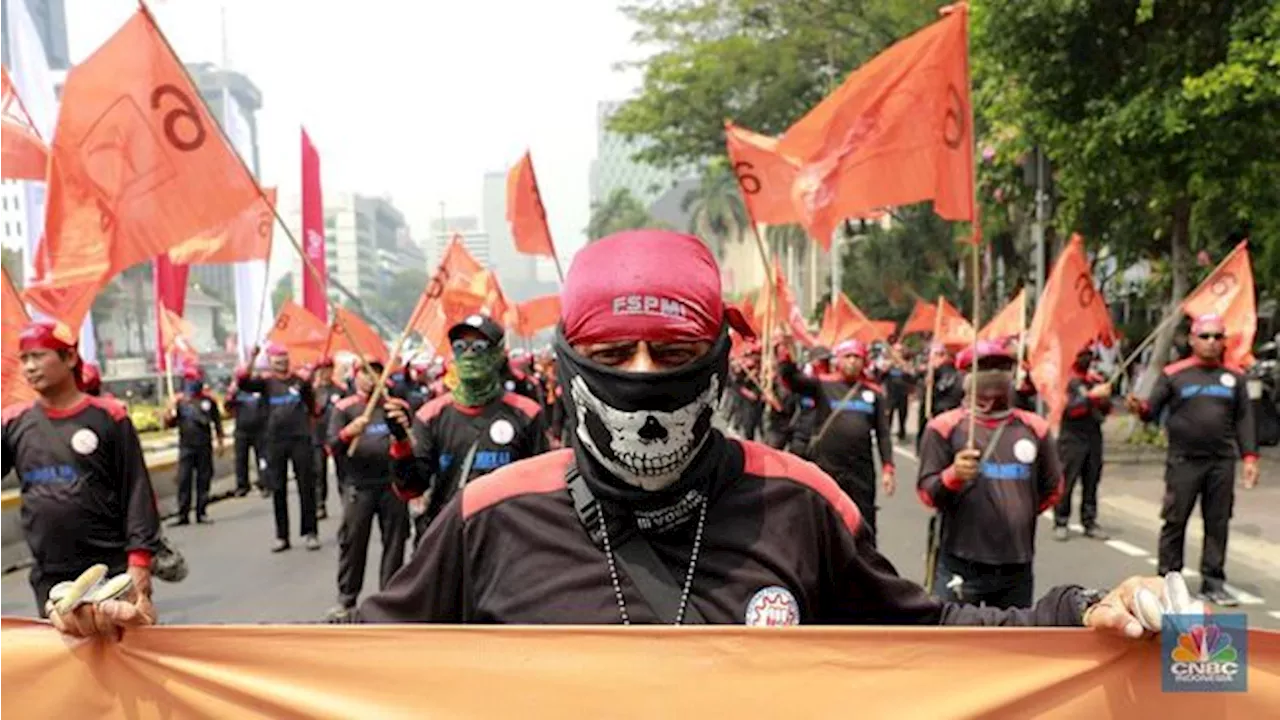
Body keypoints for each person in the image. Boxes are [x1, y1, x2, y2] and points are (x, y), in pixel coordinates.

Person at [352, 229, 1178, 634]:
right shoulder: (492, 514)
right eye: (612, 352)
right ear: (569, 365)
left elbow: (928, 640)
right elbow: (349, 669)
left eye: (673, 352)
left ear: (715, 363)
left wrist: (1092, 611)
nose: (643, 376)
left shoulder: (798, 501)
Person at [0, 321, 160, 620]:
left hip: (110, 569)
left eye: (38, 356)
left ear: (70, 358)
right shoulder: (13, 423)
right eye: (24, 359)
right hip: (51, 573)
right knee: (69, 661)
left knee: (119, 657)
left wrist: (139, 561)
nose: (30, 367)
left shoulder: (109, 416)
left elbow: (137, 490)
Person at [1125, 314, 1259, 606]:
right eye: (1205, 336)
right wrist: (1139, 407)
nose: (1212, 342)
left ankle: (1213, 581)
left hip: (1221, 461)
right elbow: (1151, 411)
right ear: (1192, 340)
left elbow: (1245, 420)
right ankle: (1167, 581)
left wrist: (1250, 457)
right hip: (1184, 461)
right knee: (1175, 520)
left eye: (1217, 336)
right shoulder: (1174, 374)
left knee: (1218, 521)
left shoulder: (1234, 378)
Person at [917, 341, 1063, 609]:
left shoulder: (1035, 428)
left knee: (1010, 647)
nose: (994, 374)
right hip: (960, 561)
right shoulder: (944, 427)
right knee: (955, 645)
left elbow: (1052, 490)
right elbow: (927, 493)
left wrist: (1016, 511)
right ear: (966, 376)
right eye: (983, 367)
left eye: (1002, 367)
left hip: (1016, 566)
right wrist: (953, 476)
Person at [381, 315, 548, 543]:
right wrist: (401, 442)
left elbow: (543, 490)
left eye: (479, 347)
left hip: (506, 542)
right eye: (460, 347)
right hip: (449, 540)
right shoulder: (431, 414)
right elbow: (410, 490)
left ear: (498, 355)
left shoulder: (527, 413)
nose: (469, 354)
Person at [779, 338, 895, 541]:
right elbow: (792, 381)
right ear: (838, 360)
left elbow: (883, 434)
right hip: (827, 466)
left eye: (857, 357)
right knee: (823, 518)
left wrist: (888, 468)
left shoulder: (873, 393)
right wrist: (785, 357)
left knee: (863, 522)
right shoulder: (822, 385)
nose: (852, 361)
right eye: (848, 356)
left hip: (861, 471)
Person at [325, 357, 410, 621]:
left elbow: (414, 441)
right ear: (356, 376)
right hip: (358, 486)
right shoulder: (344, 408)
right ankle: (347, 599)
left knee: (395, 542)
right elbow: (330, 446)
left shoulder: (397, 406)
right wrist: (348, 433)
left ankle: (390, 597)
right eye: (365, 372)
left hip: (392, 484)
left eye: (376, 372)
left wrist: (403, 429)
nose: (370, 378)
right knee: (353, 542)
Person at [235, 343, 321, 552]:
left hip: (300, 439)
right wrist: (252, 358)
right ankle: (282, 536)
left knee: (306, 486)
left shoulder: (300, 382)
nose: (281, 362)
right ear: (271, 362)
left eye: (284, 358)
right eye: (277, 359)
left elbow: (313, 408)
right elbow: (242, 381)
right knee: (278, 488)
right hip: (274, 441)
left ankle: (310, 532)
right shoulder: (265, 383)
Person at [1054, 347, 1112, 541]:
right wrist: (1090, 397)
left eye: (1089, 354)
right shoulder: (1066, 381)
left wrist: (1103, 398)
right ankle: (1061, 521)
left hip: (1093, 436)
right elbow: (1070, 410)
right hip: (1071, 438)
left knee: (1092, 481)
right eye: (1082, 355)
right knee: (1067, 481)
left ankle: (1089, 521)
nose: (1087, 359)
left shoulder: (1095, 380)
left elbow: (1105, 410)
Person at [163, 365, 225, 526]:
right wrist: (169, 410)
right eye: (190, 379)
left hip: (204, 446)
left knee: (203, 479)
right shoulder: (180, 402)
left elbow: (217, 421)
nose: (192, 383)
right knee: (184, 480)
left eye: (195, 379)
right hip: (186, 447)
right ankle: (183, 514)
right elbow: (169, 424)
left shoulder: (208, 400)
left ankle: (201, 512)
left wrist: (220, 442)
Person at [225, 363, 268, 498]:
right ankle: (242, 485)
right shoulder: (237, 392)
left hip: (260, 430)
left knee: (263, 458)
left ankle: (265, 483)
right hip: (242, 430)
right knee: (241, 459)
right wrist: (230, 394)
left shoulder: (260, 389)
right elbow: (228, 409)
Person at [312, 358, 346, 521]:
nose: (325, 373)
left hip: (337, 436)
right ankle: (320, 504)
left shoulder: (340, 390)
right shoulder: (313, 391)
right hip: (318, 436)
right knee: (319, 472)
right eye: (322, 369)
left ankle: (346, 502)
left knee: (343, 471)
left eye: (328, 369)